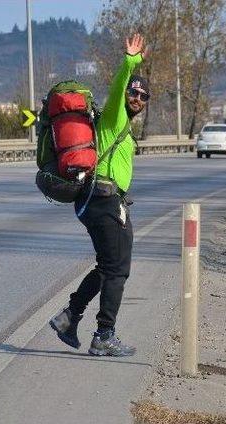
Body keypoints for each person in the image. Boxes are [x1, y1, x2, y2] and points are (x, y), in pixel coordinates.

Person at [49, 34, 150, 357]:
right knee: (117, 270)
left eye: (143, 95)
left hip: (99, 200)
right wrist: (130, 60)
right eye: (134, 92)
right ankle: (104, 335)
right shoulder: (114, 115)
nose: (136, 97)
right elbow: (120, 85)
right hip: (104, 199)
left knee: (108, 266)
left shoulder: (123, 126)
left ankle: (69, 317)